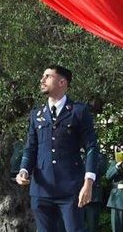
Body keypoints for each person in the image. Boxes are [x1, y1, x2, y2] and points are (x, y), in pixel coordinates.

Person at [17, 65, 100, 232]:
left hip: (70, 189)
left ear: (62, 82)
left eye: (47, 76)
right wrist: (24, 170)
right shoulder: (36, 114)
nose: (42, 80)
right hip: (42, 189)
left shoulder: (78, 111)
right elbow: (31, 147)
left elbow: (92, 147)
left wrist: (88, 182)